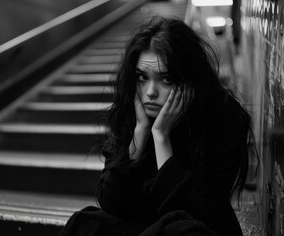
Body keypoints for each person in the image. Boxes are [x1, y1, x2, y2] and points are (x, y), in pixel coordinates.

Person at [59, 16, 257, 236]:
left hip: (195, 231)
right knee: (85, 222)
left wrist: (161, 137)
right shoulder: (132, 117)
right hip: (146, 229)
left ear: (190, 80)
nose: (150, 92)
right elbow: (110, 203)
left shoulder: (222, 117)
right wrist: (139, 136)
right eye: (142, 77)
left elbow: (193, 217)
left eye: (166, 79)